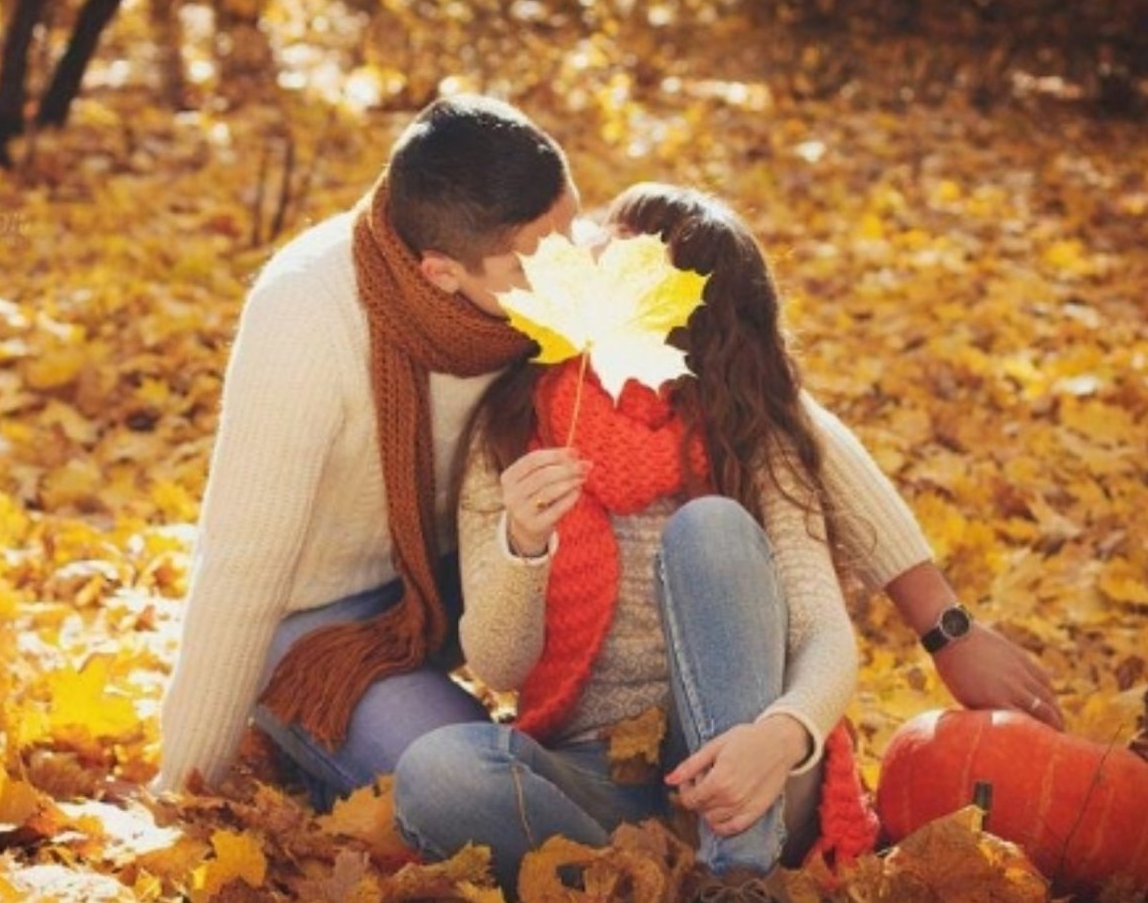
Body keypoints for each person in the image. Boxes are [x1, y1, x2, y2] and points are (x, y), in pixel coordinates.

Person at [154, 95, 1060, 809]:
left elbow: (775, 413)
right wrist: (177, 786)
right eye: (541, 259)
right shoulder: (305, 319)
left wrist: (946, 626)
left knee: (527, 759)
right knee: (448, 776)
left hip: (466, 592)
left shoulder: (530, 247)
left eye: (576, 230)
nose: (576, 270)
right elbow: (241, 566)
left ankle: (685, 820)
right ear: (444, 272)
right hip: (333, 623)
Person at [394, 184, 882, 898]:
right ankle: (656, 884)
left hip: (754, 765)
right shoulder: (513, 426)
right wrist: (523, 544)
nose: (590, 247)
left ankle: (738, 874)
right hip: (601, 777)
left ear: (689, 307)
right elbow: (498, 665)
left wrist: (781, 737)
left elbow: (825, 634)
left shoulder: (749, 435)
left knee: (711, 528)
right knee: (436, 772)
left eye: (622, 246)